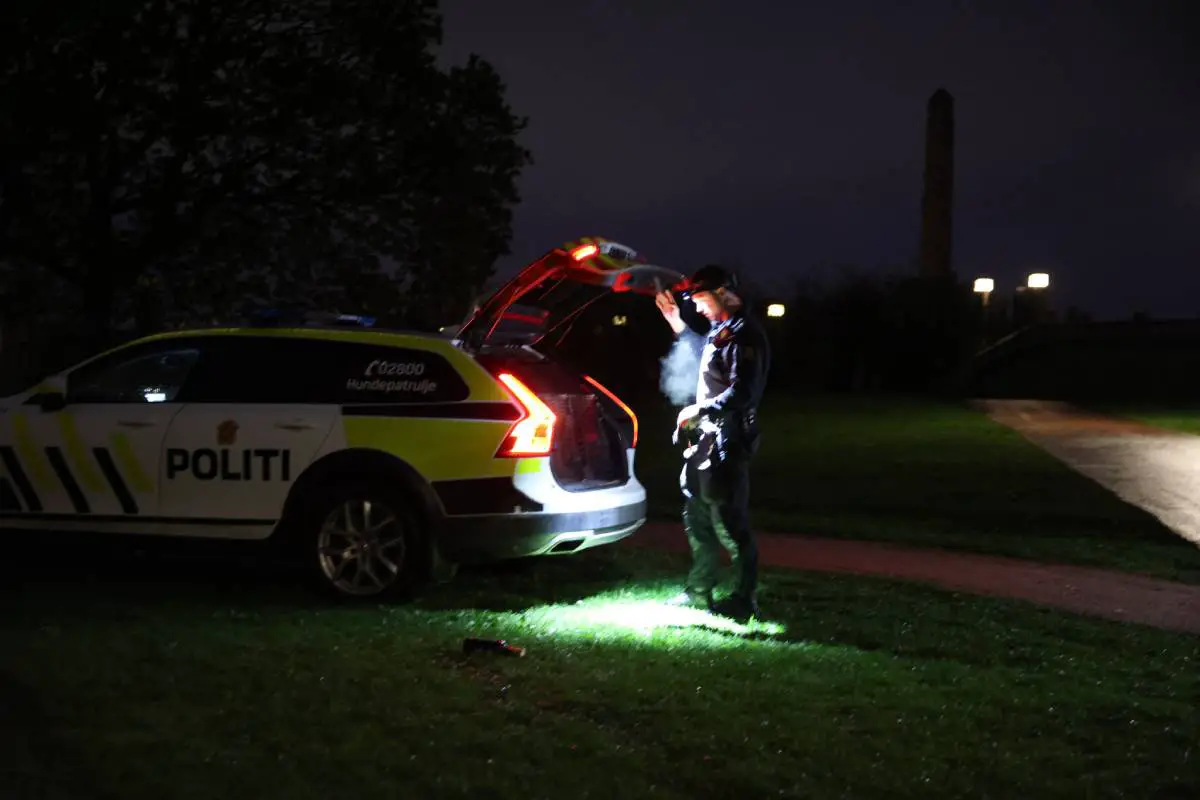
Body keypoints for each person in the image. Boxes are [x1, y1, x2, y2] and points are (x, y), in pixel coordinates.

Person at [654, 264, 771, 622]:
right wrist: (676, 320)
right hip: (705, 442)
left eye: (701, 298)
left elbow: (744, 392)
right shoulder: (722, 330)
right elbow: (700, 349)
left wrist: (698, 409)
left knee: (729, 524)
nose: (698, 307)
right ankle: (698, 589)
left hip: (728, 442)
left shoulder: (744, 335)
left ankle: (743, 599)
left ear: (723, 293)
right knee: (697, 517)